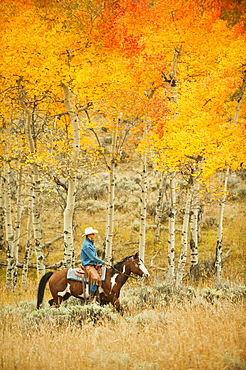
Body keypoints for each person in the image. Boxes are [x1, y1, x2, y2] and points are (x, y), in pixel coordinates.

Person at [81, 227, 109, 301]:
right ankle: (91, 298)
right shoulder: (87, 245)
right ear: (88, 235)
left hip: (93, 265)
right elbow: (92, 257)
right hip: (88, 265)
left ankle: (98, 297)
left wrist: (97, 263)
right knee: (96, 278)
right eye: (92, 233)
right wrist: (103, 262)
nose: (94, 235)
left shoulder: (90, 244)